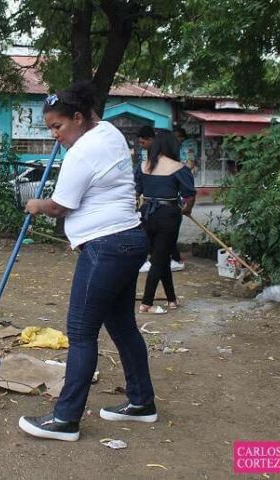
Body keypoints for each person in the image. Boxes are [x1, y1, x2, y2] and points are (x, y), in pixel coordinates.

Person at [17, 82, 157, 442]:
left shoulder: (81, 152)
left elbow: (60, 206)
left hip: (106, 246)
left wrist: (35, 204)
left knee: (80, 333)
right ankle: (141, 402)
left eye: (58, 126)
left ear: (78, 118)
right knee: (123, 326)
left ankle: (65, 419)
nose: (55, 135)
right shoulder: (109, 132)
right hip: (128, 240)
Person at [135, 130, 196, 314]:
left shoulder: (143, 166)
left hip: (146, 214)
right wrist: (187, 209)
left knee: (161, 257)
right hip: (168, 215)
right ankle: (146, 304)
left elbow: (136, 191)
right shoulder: (179, 168)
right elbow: (189, 195)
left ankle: (171, 300)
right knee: (159, 259)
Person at [137, 126, 185, 273]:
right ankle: (164, 261)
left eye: (143, 142)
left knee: (163, 245)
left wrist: (186, 207)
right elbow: (137, 188)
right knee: (159, 245)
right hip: (153, 210)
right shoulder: (145, 164)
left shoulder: (176, 167)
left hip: (165, 210)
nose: (142, 145)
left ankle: (169, 260)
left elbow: (188, 193)